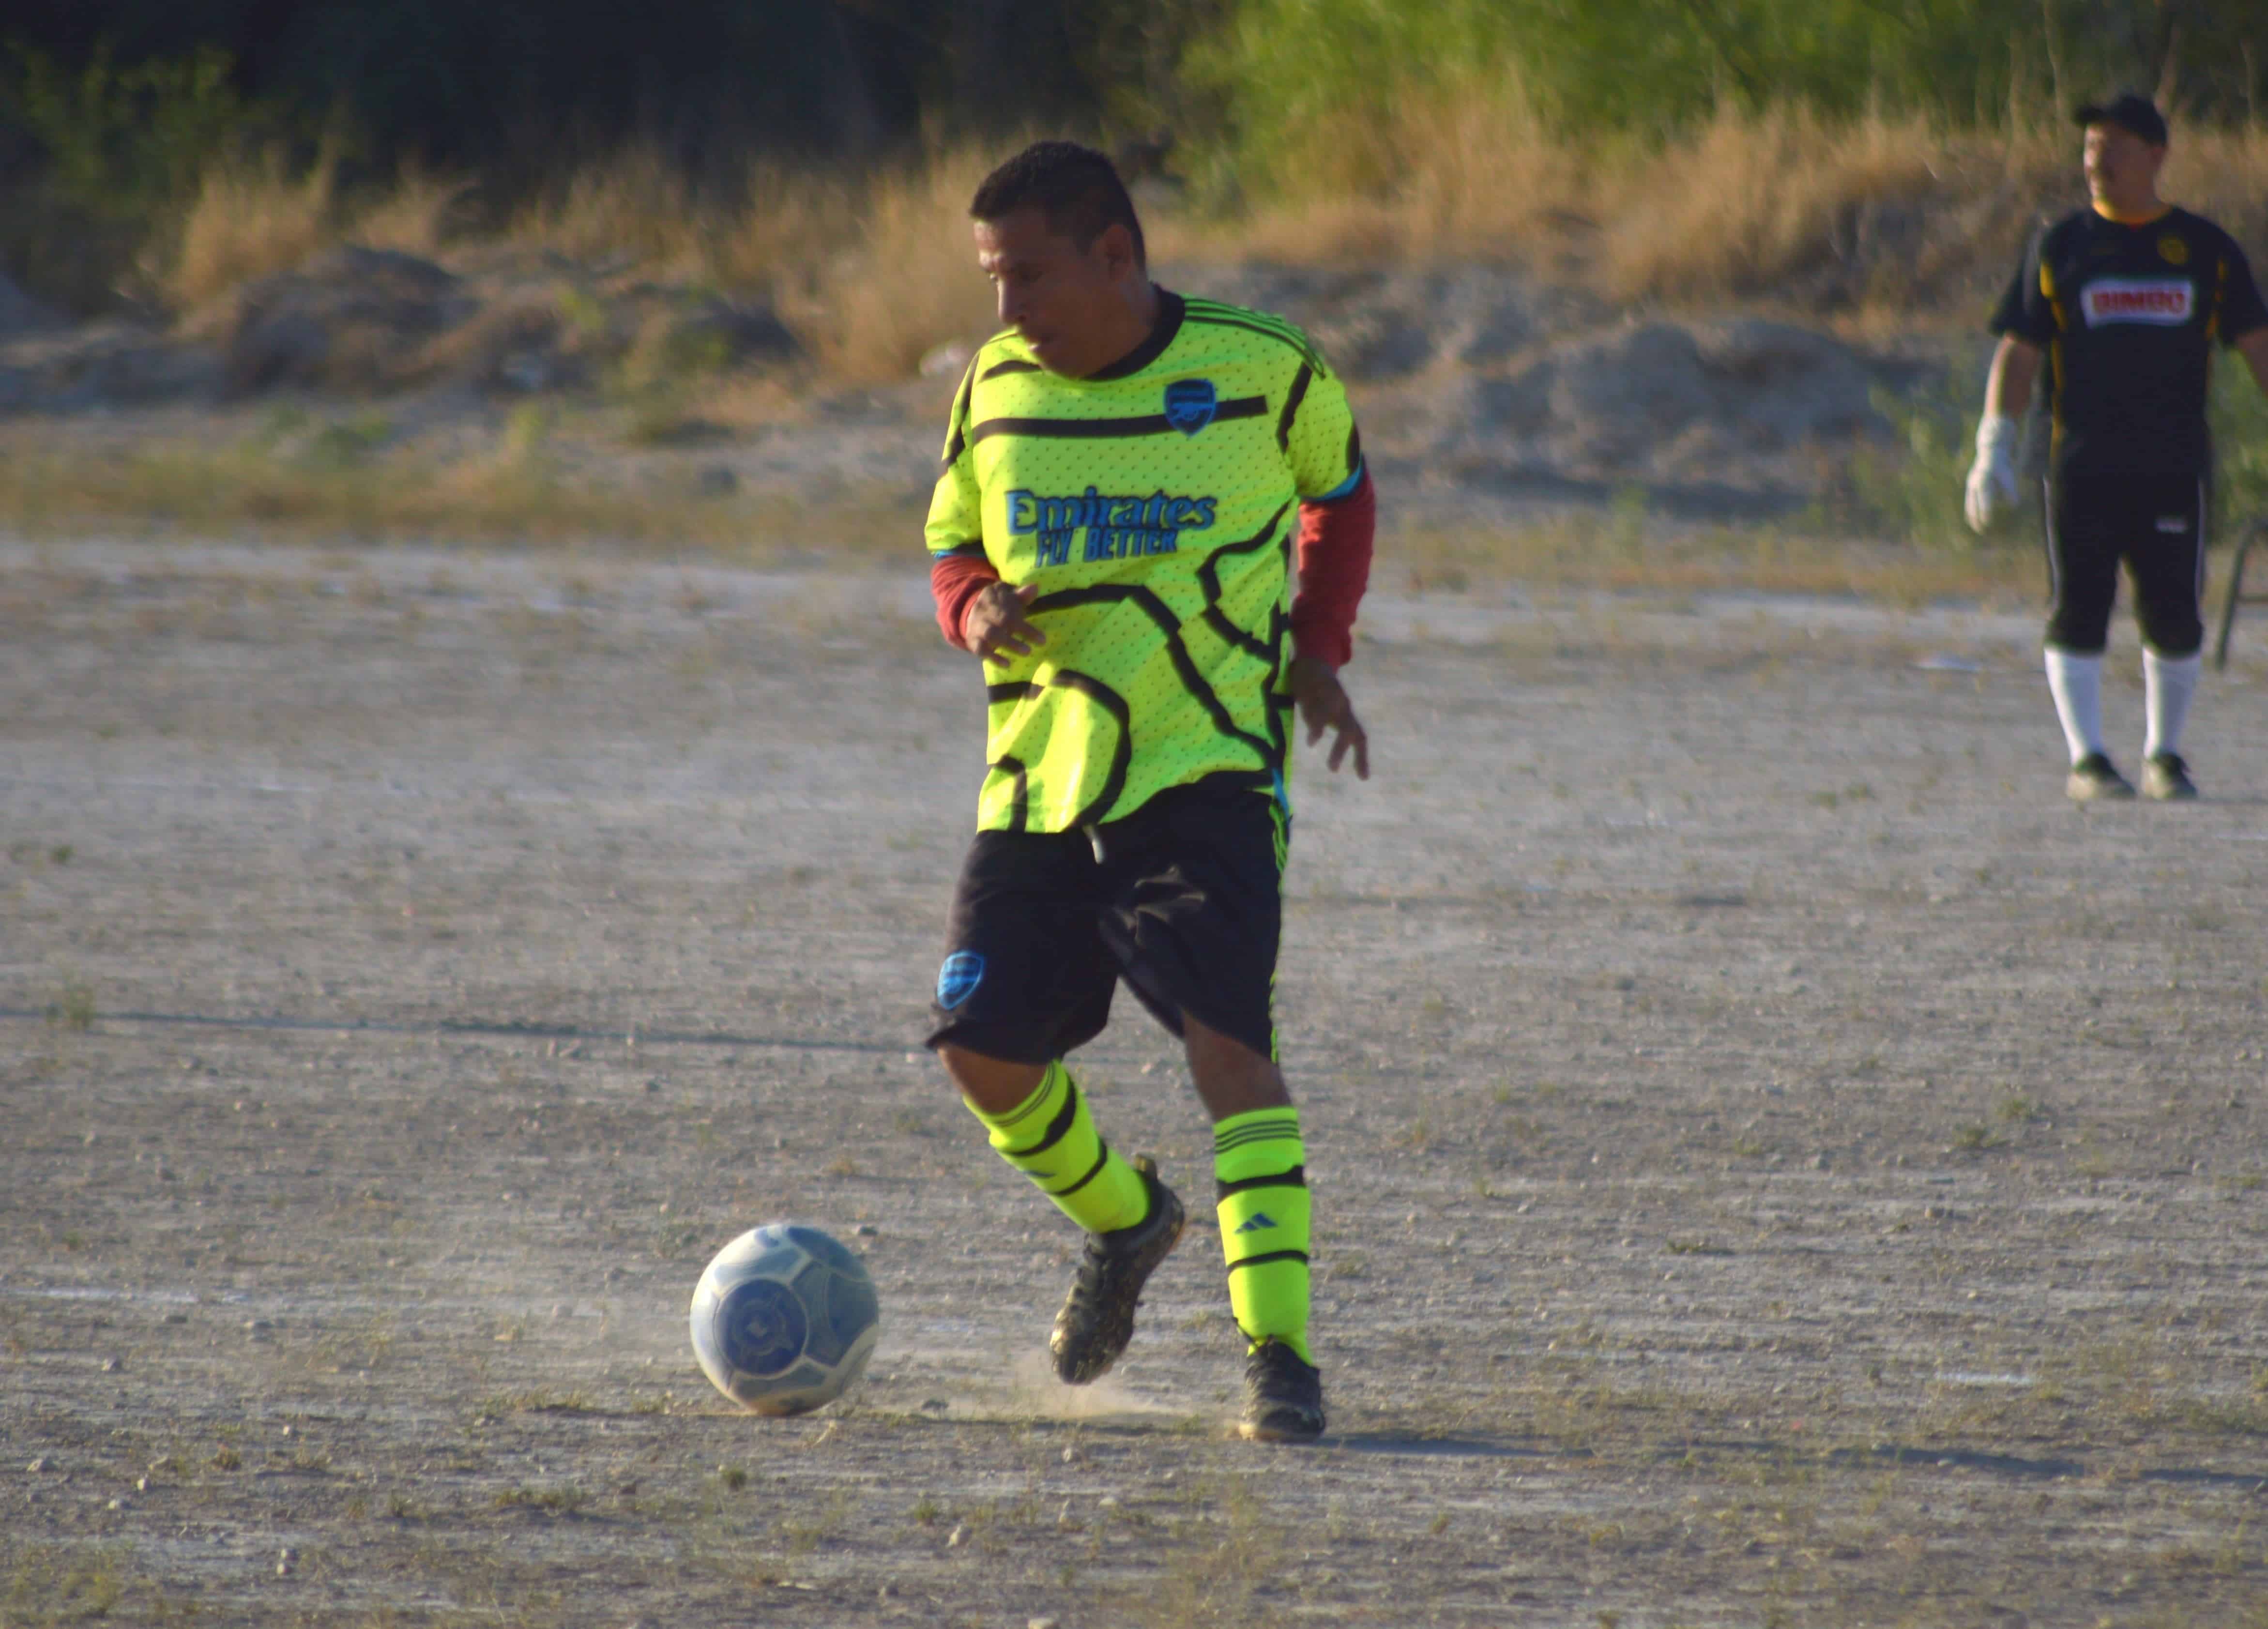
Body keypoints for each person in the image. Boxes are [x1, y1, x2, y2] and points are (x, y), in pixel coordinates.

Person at [921, 140, 1375, 1443]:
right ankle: (1129, 1223)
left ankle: (1278, 1357)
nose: (1006, 311)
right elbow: (953, 535)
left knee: (1227, 1048)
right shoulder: (993, 388)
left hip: (1205, 767)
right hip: (1041, 775)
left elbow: (1336, 497)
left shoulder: (1260, 370)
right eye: (991, 280)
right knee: (982, 1056)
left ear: (1115, 254)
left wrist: (1317, 650)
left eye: (1028, 276)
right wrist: (973, 608)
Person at [1968, 92, 2268, 803]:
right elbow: (2017, 352)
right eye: (2088, 148)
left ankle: (2165, 754)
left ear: (2155, 156)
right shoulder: (2059, 245)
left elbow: (2258, 347)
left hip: (2172, 465)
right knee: (2078, 605)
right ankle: (2089, 760)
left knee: (2173, 612)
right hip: (2079, 464)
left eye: (2112, 147)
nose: (2095, 161)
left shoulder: (2203, 249)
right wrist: (1994, 446)